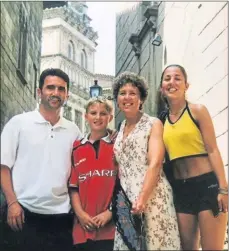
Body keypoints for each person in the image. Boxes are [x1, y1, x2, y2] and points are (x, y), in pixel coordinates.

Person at [0, 68, 82, 251]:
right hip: (23, 214)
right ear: (39, 92)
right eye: (50, 87)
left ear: (67, 94)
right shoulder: (19, 123)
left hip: (61, 218)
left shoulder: (74, 131)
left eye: (61, 89)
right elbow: (3, 167)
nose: (56, 93)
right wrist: (12, 203)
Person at [157, 64, 228, 250]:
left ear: (186, 86)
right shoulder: (160, 121)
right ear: (161, 87)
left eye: (177, 78)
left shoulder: (197, 110)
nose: (172, 82)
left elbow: (213, 150)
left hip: (207, 186)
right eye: (167, 78)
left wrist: (223, 189)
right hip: (181, 190)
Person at [112, 72, 181, 250]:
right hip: (127, 204)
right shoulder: (119, 130)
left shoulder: (153, 123)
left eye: (133, 93)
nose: (127, 97)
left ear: (141, 98)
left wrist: (142, 198)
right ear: (117, 99)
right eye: (122, 93)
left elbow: (155, 163)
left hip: (152, 198)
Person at [69, 97, 116, 251]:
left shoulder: (118, 145)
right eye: (93, 113)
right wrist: (81, 215)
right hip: (83, 230)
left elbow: (124, 186)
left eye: (103, 113)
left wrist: (110, 213)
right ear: (86, 116)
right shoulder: (76, 148)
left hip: (112, 230)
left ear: (110, 117)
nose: (98, 117)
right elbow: (73, 188)